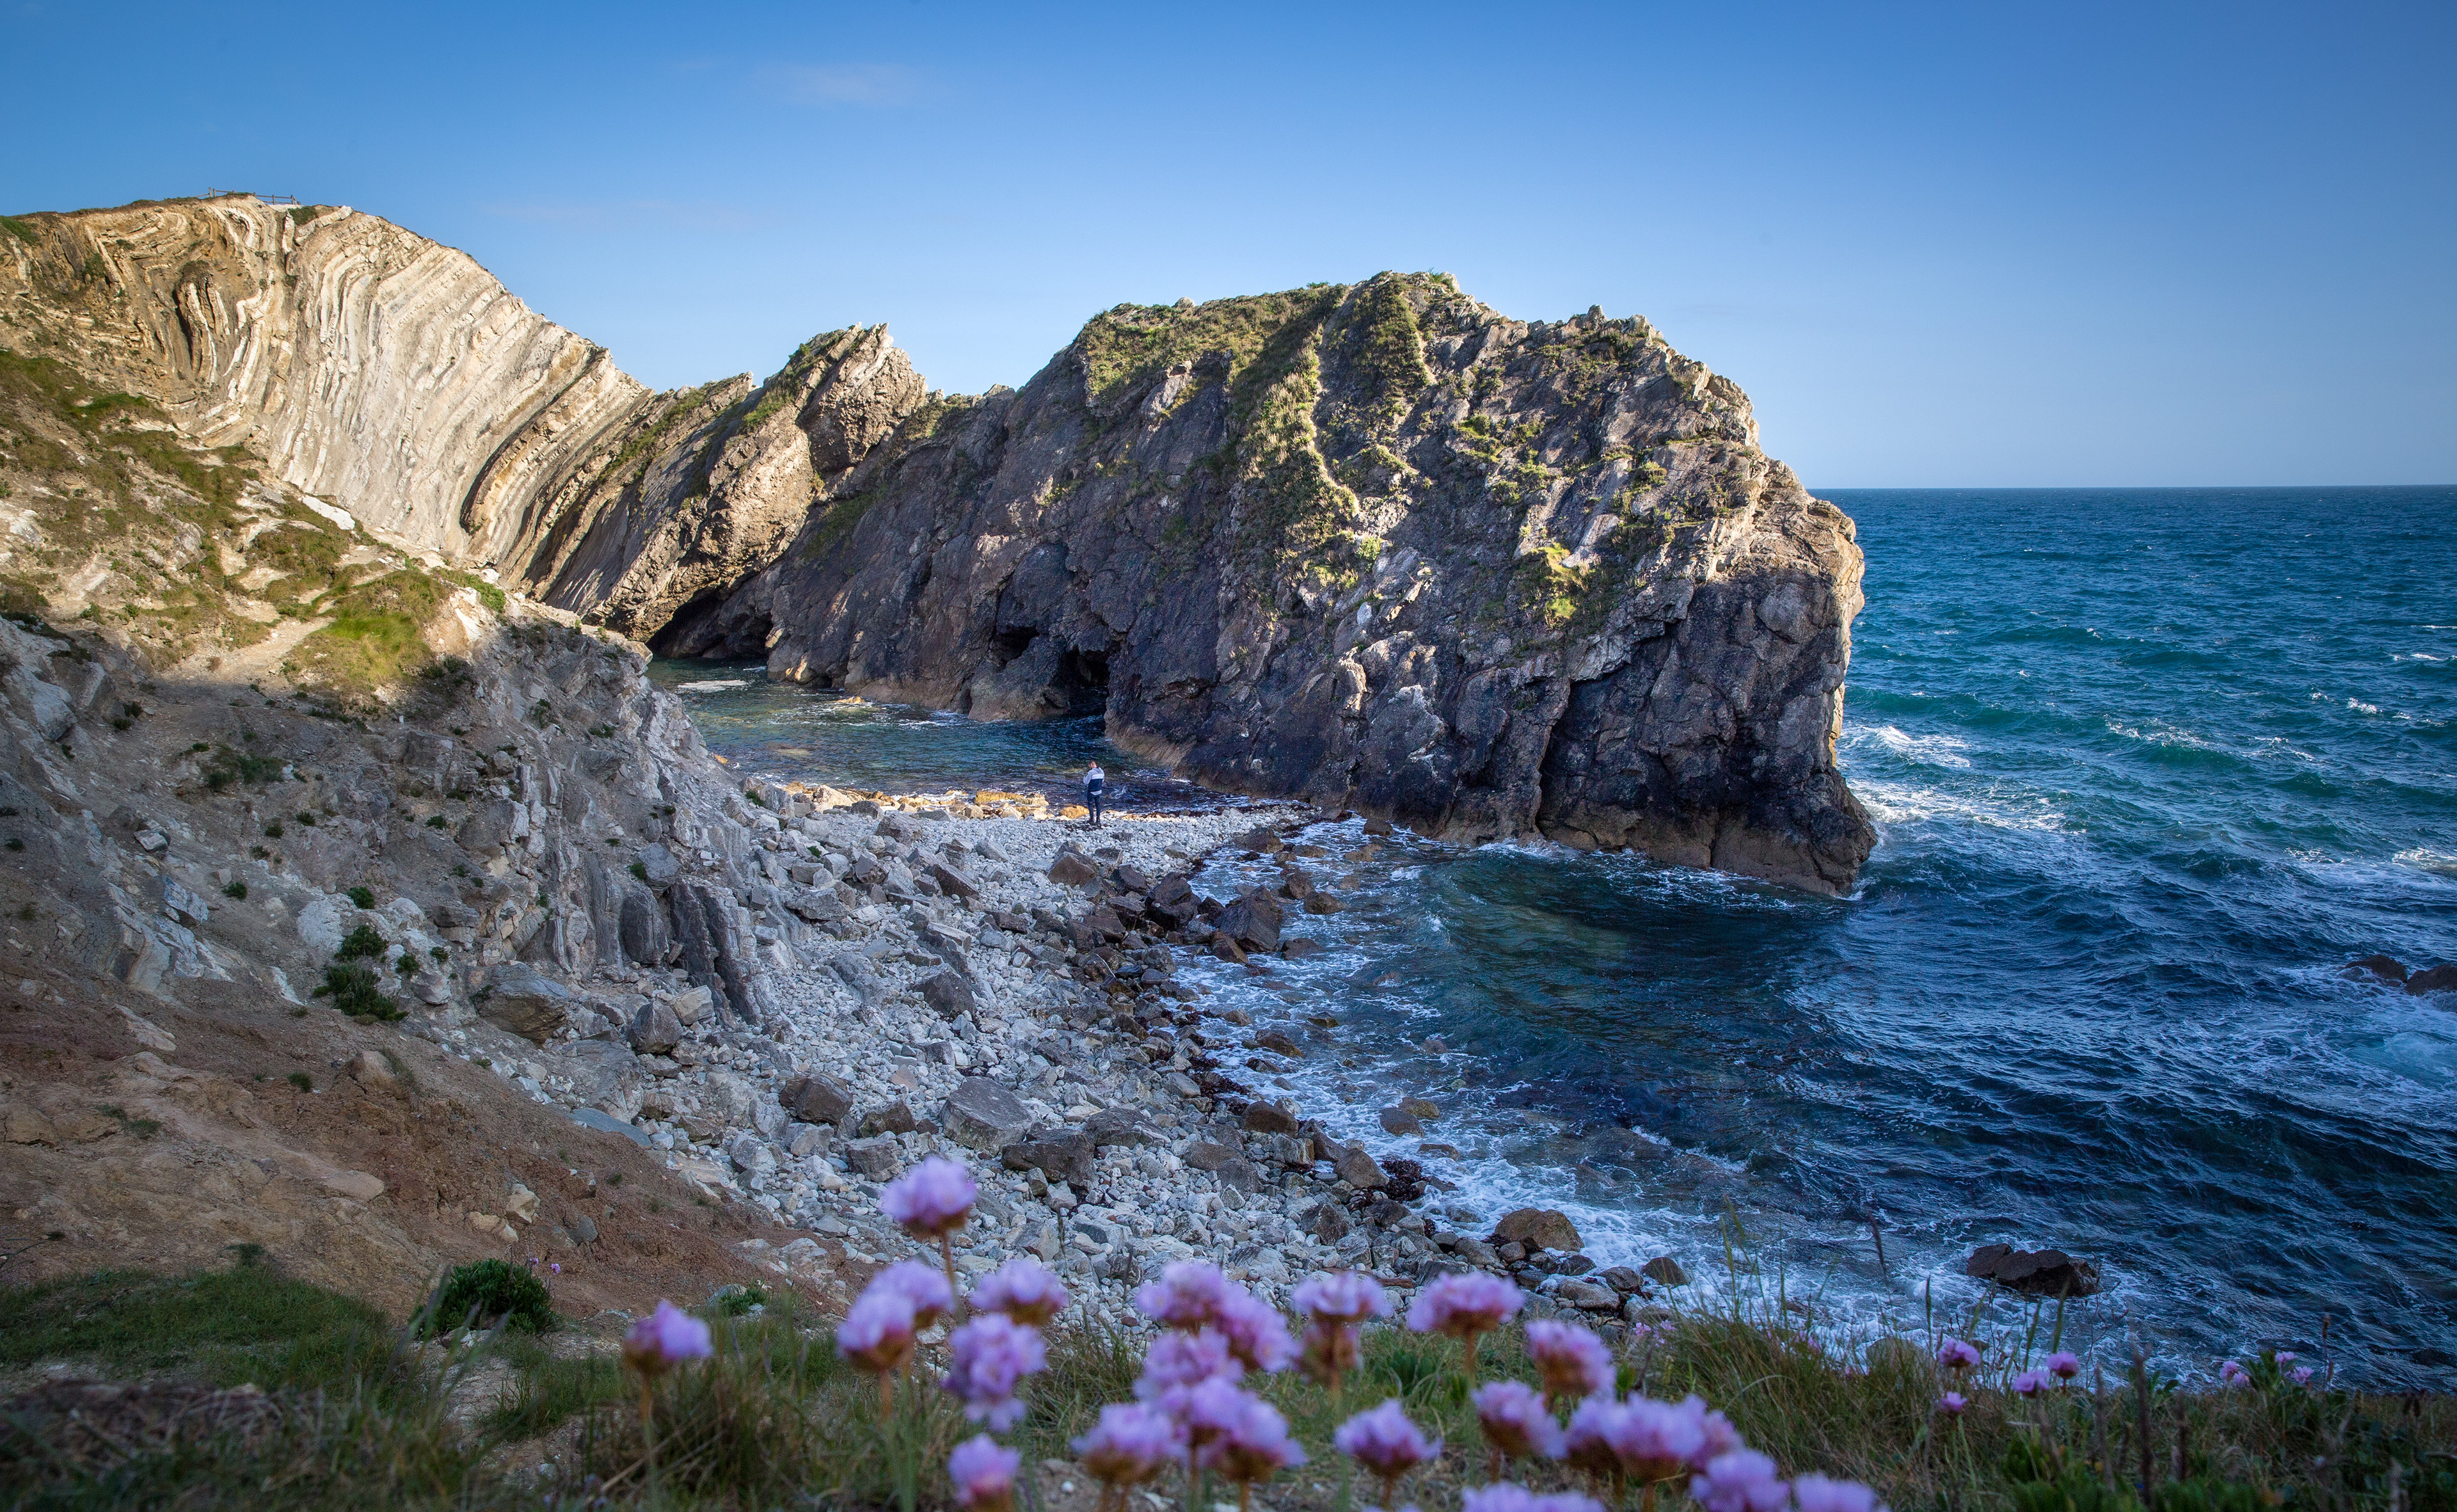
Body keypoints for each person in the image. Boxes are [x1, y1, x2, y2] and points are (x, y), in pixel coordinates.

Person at [1083, 761, 1105, 826]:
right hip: (1099, 791)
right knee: (1098, 805)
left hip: (1092, 791)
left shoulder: (1091, 772)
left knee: (1090, 804)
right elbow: (1103, 781)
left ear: (1092, 765)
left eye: (1089, 766)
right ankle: (1098, 819)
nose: (1090, 767)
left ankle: (1092, 819)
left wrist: (1084, 778)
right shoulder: (1102, 771)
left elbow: (1086, 782)